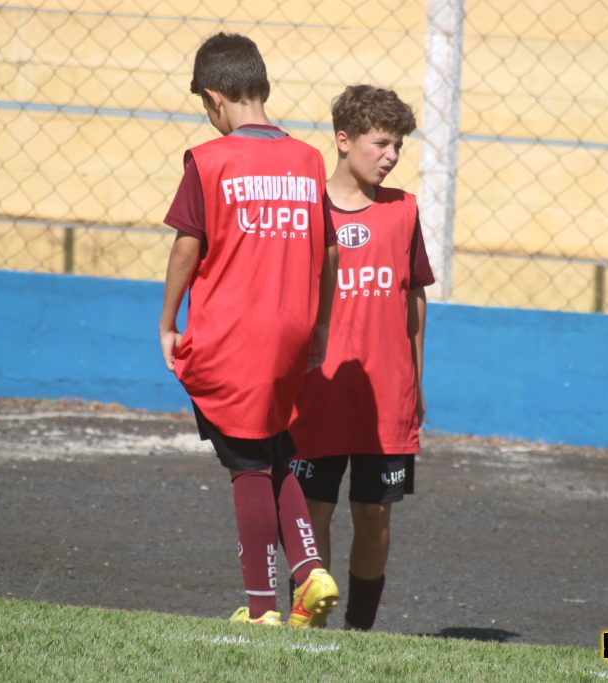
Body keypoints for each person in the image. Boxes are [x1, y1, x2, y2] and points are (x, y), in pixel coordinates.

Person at [158, 32, 340, 628]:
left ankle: (261, 609)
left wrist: (167, 321)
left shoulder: (209, 161)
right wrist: (319, 325)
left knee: (246, 466)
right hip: (290, 330)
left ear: (214, 97)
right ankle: (310, 570)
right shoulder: (308, 160)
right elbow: (330, 252)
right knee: (274, 449)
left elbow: (187, 246)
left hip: (233, 333)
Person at [288, 84, 433, 631]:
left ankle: (359, 630)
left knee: (374, 515)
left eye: (398, 146)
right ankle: (310, 624)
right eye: (381, 143)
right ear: (344, 140)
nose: (391, 156)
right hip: (316, 389)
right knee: (312, 511)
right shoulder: (304, 209)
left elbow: (414, 299)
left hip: (385, 395)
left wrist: (416, 381)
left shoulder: (404, 211)